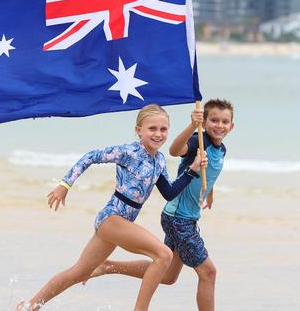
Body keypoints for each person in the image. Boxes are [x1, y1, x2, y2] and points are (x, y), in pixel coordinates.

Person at [17, 104, 207, 311]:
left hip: (122, 223)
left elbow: (169, 193)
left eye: (163, 129)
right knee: (164, 255)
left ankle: (28, 306)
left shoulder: (159, 160)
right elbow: (90, 156)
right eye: (152, 128)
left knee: (79, 273)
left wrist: (193, 170)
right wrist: (65, 185)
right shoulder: (128, 152)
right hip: (112, 217)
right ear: (138, 130)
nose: (158, 134)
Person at [85, 99, 235, 311]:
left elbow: (208, 173)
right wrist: (193, 125)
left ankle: (108, 265)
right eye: (214, 120)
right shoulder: (197, 141)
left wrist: (209, 193)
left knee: (168, 276)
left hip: (184, 217)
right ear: (204, 122)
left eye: (224, 121)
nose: (219, 125)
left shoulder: (221, 149)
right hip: (179, 219)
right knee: (208, 272)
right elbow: (175, 150)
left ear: (232, 126)